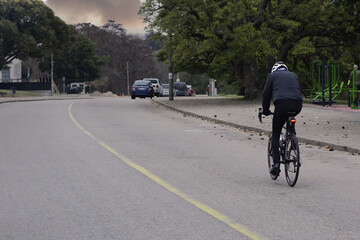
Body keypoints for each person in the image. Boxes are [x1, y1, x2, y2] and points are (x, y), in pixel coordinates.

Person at [262, 61, 303, 176]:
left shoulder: (272, 77)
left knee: (276, 133)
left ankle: (276, 164)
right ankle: (293, 140)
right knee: (290, 118)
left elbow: (266, 95)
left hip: (281, 105)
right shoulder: (294, 75)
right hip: (297, 105)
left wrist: (265, 110)